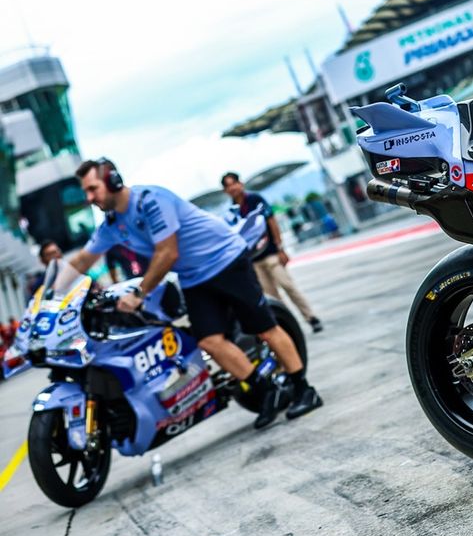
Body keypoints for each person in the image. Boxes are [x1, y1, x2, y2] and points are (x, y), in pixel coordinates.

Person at [67, 158, 322, 427]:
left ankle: (305, 390)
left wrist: (139, 294)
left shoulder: (151, 200)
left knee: (265, 328)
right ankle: (268, 391)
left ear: (112, 181)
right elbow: (83, 260)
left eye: (93, 189)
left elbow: (167, 253)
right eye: (86, 191)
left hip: (225, 260)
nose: (89, 197)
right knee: (209, 341)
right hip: (194, 277)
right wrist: (47, 292)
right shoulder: (112, 225)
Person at [220, 172, 323, 334]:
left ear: (241, 183)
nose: (232, 188)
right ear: (224, 191)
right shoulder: (231, 212)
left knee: (288, 286)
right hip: (253, 261)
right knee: (273, 298)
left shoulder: (255, 200)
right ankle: (290, 327)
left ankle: (311, 317)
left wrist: (280, 247)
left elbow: (271, 221)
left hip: (270, 253)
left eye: (234, 183)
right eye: (228, 185)